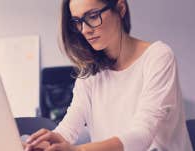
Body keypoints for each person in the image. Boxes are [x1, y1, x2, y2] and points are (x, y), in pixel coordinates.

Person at [24, 0, 193, 151]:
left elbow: (142, 134)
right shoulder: (90, 70)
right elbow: (69, 129)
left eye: (92, 16)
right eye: (77, 21)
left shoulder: (158, 57)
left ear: (120, 9)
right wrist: (47, 144)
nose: (85, 30)